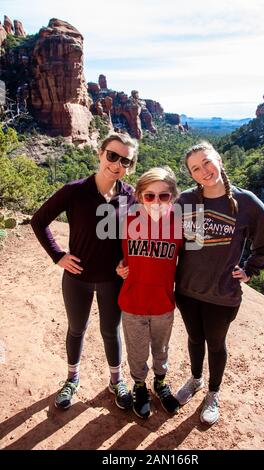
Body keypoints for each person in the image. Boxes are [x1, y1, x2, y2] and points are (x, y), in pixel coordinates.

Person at [31, 132, 138, 411]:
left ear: (130, 166)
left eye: (124, 160)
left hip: (111, 280)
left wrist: (128, 263)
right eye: (112, 156)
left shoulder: (130, 197)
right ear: (100, 154)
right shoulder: (74, 191)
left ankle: (116, 381)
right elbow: (39, 220)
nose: (116, 164)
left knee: (110, 330)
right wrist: (58, 256)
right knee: (76, 329)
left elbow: (139, 238)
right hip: (76, 278)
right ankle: (72, 379)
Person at [175, 141, 264, 425]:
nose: (204, 171)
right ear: (191, 175)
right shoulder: (185, 200)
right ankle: (195, 380)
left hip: (222, 294)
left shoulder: (246, 203)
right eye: (195, 168)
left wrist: (250, 270)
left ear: (218, 160)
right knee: (195, 338)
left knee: (216, 344)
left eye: (206, 162)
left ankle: (213, 392)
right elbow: (160, 232)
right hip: (186, 290)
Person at [116, 167, 182, 419]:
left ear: (173, 197)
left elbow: (195, 259)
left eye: (163, 196)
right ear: (140, 195)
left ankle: (160, 382)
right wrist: (116, 265)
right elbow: (110, 253)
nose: (156, 202)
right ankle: (140, 385)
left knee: (161, 349)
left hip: (163, 303)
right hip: (133, 302)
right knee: (137, 350)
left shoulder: (180, 224)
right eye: (149, 196)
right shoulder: (126, 220)